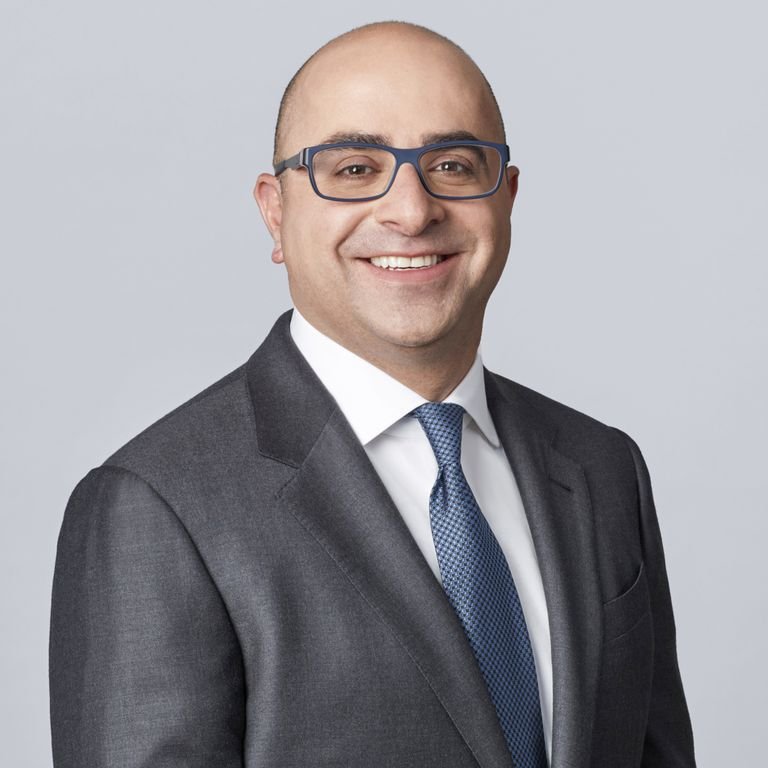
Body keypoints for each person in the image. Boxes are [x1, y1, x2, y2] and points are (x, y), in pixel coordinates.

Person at [49, 21, 696, 768]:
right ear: (275, 211)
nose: (412, 211)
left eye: (452, 164)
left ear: (508, 198)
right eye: (355, 168)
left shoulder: (603, 468)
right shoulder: (155, 507)